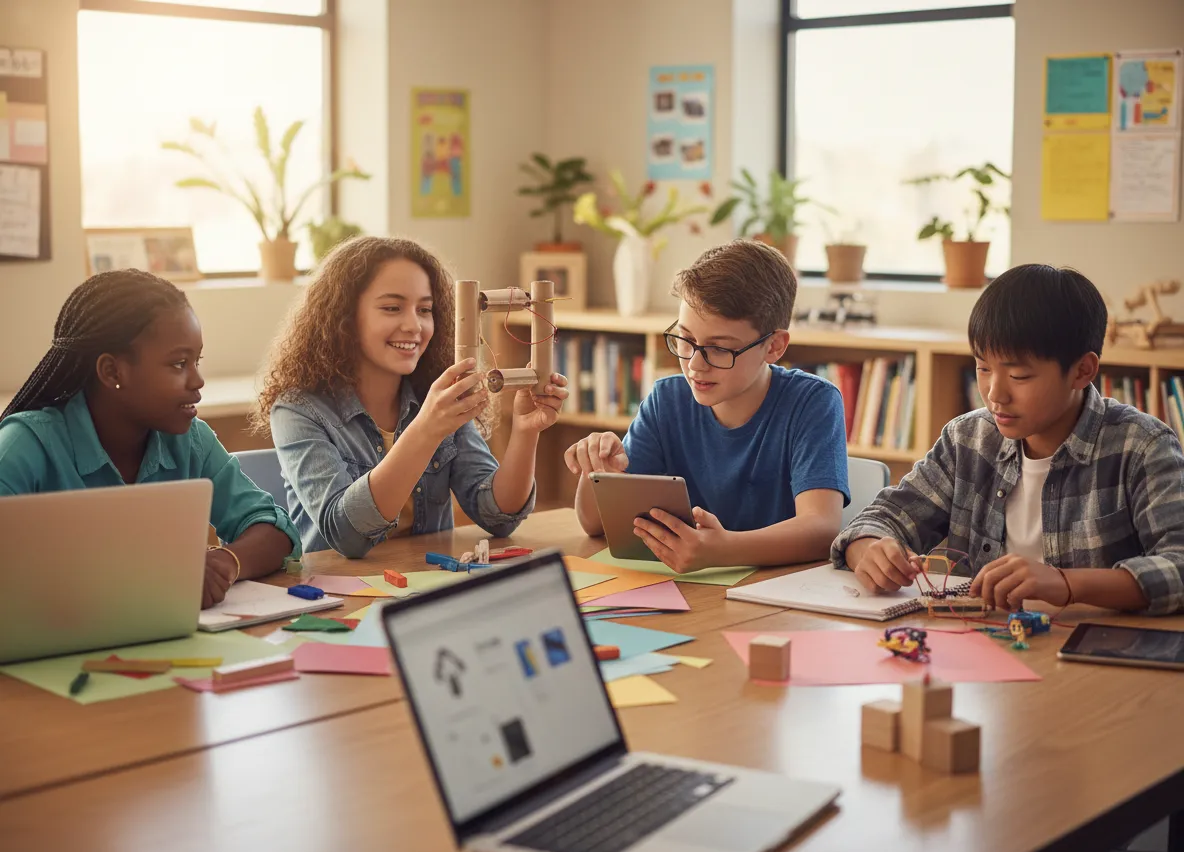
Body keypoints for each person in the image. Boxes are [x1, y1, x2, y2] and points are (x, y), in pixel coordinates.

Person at [833, 264, 1184, 615]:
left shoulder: (1142, 447)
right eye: (983, 368)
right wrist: (869, 547)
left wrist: (1065, 583)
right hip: (984, 643)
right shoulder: (967, 440)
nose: (994, 394)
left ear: (1083, 370)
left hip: (1093, 651)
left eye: (1019, 375)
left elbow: (1178, 565)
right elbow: (882, 517)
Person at [0, 270, 300, 609]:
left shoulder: (190, 440)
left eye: (196, 361)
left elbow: (277, 531)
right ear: (113, 372)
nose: (198, 380)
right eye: (178, 363)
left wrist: (225, 562)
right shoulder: (23, 446)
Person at [257, 236, 568, 558]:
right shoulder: (299, 409)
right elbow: (345, 534)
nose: (413, 325)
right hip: (337, 593)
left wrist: (526, 432)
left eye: (425, 310)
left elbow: (497, 515)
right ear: (344, 318)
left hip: (427, 585)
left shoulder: (435, 396)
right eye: (392, 308)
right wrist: (426, 430)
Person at [564, 238, 849, 572]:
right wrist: (597, 472)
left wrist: (724, 550)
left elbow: (822, 529)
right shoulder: (666, 401)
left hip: (778, 596)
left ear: (773, 346)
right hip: (690, 595)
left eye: (719, 349)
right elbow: (594, 525)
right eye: (685, 340)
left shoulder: (813, 403)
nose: (695, 365)